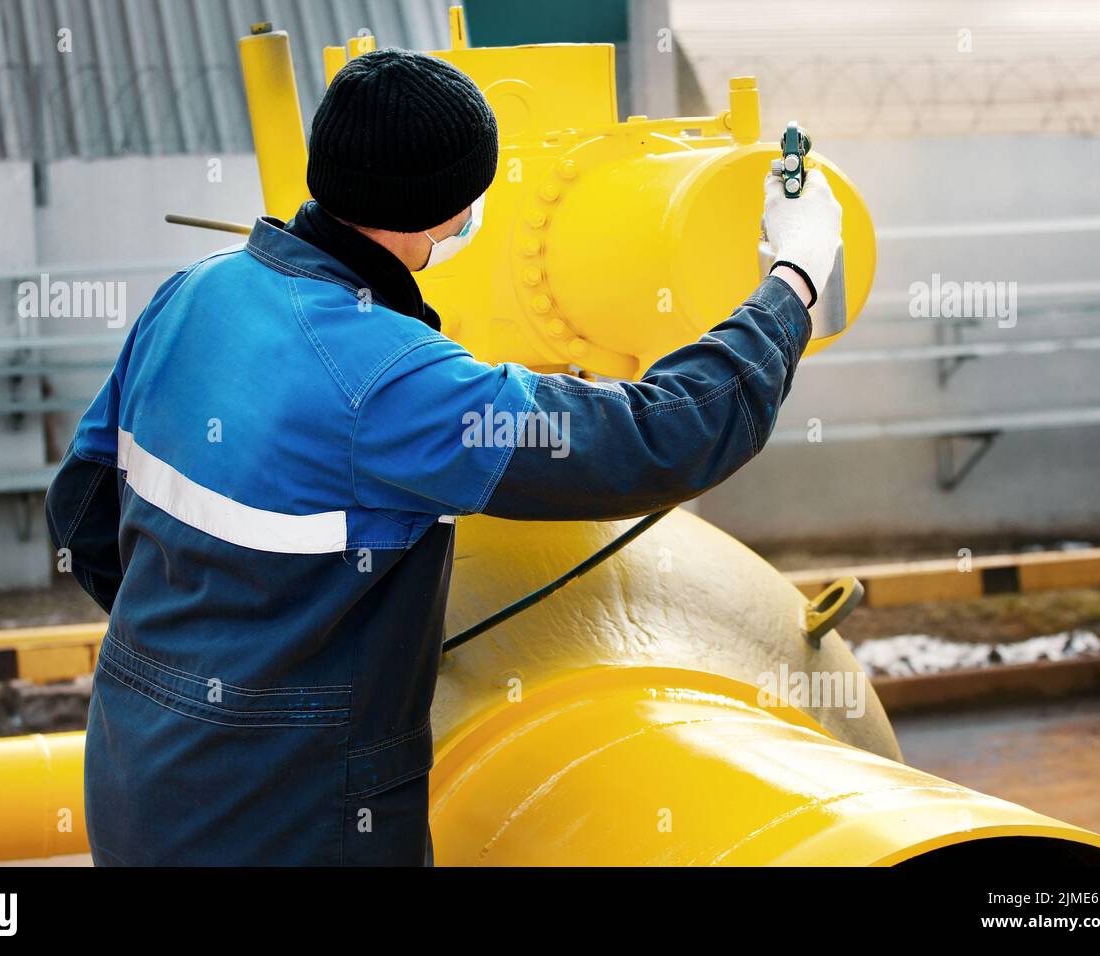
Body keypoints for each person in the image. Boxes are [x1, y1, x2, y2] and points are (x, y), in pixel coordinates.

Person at [45, 47, 842, 866]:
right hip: (290, 821)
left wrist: (203, 671)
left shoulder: (196, 292)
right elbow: (655, 437)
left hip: (134, 774)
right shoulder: (391, 384)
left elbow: (81, 515)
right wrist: (793, 281)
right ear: (436, 213)